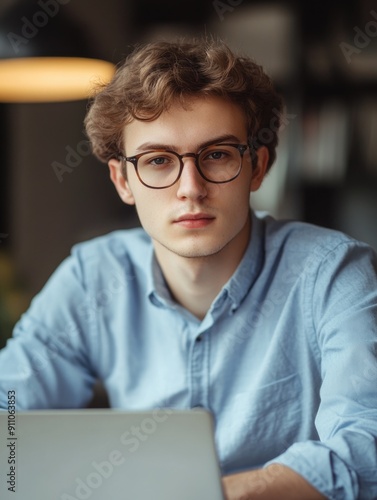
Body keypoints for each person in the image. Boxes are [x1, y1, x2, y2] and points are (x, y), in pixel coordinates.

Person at [1, 37, 377, 500]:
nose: (190, 188)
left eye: (216, 155)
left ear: (257, 167)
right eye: (158, 161)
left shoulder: (334, 274)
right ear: (123, 181)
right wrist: (15, 474)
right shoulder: (94, 276)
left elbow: (366, 446)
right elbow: (10, 406)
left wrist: (209, 494)